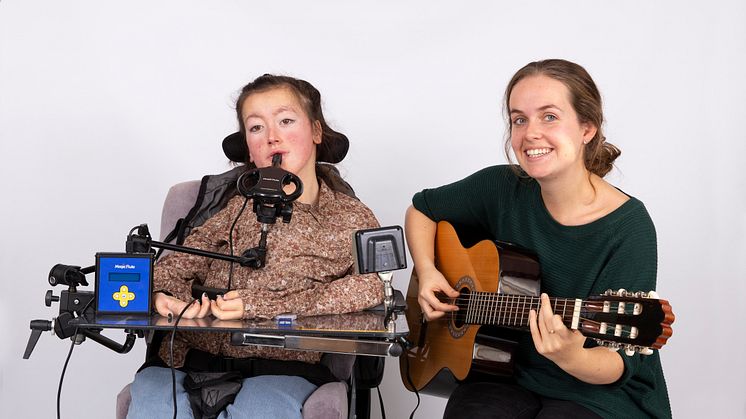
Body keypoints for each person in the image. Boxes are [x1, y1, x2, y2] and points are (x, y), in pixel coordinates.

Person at [404, 59, 671, 418]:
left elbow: (620, 363)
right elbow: (421, 210)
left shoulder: (628, 226)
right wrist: (428, 272)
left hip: (595, 389)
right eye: (519, 119)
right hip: (503, 370)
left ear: (587, 127)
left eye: (549, 117)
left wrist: (571, 356)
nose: (530, 134)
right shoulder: (501, 186)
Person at [127, 74, 384, 419]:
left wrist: (259, 305)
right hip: (189, 362)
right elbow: (176, 265)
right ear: (248, 146)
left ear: (317, 132)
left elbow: (372, 286)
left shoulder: (351, 215)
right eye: (256, 128)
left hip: (283, 368)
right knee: (154, 406)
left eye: (286, 121)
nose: (272, 136)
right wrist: (165, 295)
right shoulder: (232, 208)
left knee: (261, 409)